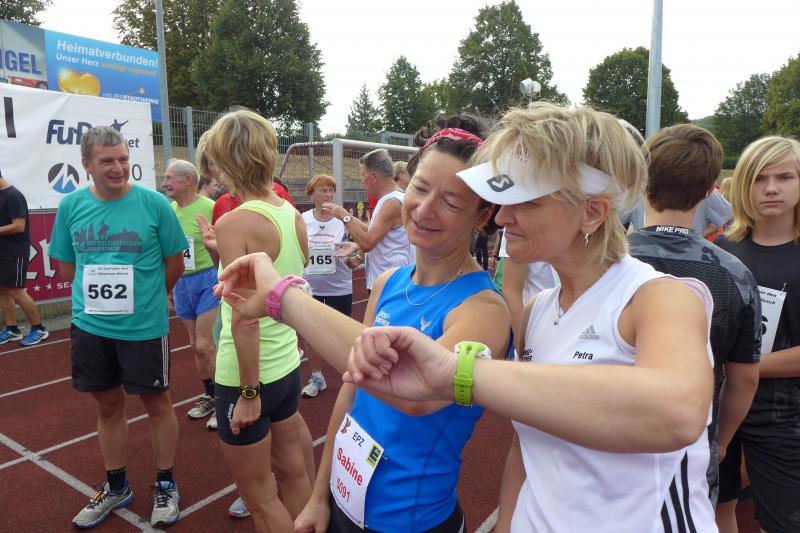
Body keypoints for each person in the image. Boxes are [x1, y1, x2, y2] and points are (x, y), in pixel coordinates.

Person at [339, 104, 720, 533]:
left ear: (592, 212)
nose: (502, 217)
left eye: (526, 202)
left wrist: (458, 373)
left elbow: (678, 411)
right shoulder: (538, 310)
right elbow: (526, 446)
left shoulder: (659, 298)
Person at [215, 116, 512, 532]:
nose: (424, 209)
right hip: (344, 501)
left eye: (451, 201)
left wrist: (282, 297)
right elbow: (351, 393)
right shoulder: (389, 282)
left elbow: (416, 388)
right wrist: (320, 496)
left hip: (411, 521)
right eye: (420, 188)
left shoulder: (484, 308)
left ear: (482, 216)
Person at [50, 126, 186, 528]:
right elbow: (67, 267)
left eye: (123, 159)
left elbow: (174, 264)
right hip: (90, 326)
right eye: (107, 160)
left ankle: (165, 484)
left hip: (143, 327)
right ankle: (116, 486)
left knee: (157, 405)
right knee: (107, 406)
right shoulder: (71, 206)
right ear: (87, 164)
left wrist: (147, 298)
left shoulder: (154, 204)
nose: (118, 167)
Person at [627, 124, 761, 509]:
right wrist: (720, 440)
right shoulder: (735, 275)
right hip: (691, 446)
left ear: (641, 181)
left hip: (601, 438)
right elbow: (744, 378)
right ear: (708, 191)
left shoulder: (601, 261)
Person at [204, 108, 313, 533]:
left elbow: (244, 317)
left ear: (226, 160)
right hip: (285, 366)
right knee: (295, 475)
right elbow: (289, 284)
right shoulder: (292, 214)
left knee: (261, 499)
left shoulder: (234, 221)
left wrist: (248, 392)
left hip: (247, 375)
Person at [715, 136, 800, 533]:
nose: (771, 188)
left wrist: (745, 366)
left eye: (784, 177)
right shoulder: (723, 250)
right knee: (716, 508)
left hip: (785, 417)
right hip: (718, 406)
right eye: (759, 178)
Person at [162, 159, 220, 425]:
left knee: (206, 344)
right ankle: (210, 395)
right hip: (182, 283)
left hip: (208, 279)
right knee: (196, 346)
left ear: (188, 180)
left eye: (169, 178)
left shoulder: (210, 207)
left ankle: (223, 400)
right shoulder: (169, 211)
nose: (164, 183)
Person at [322, 148, 412, 291]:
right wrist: (359, 255)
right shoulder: (389, 199)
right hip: (388, 281)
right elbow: (373, 232)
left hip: (391, 284)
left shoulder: (392, 202)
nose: (362, 181)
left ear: (374, 176)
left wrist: (344, 216)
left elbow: (368, 243)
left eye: (363, 175)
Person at [300, 174, 354, 398]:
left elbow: (357, 248)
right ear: (311, 194)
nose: (328, 194)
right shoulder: (302, 219)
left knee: (343, 335)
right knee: (312, 335)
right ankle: (317, 377)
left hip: (339, 286)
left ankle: (351, 379)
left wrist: (353, 259)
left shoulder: (343, 219)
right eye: (323, 190)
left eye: (331, 190)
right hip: (311, 286)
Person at [0, 170, 48, 346]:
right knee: (2, 290)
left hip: (14, 252)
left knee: (17, 291)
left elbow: (19, 226)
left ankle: (39, 328)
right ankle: (12, 329)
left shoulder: (13, 195)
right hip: (2, 250)